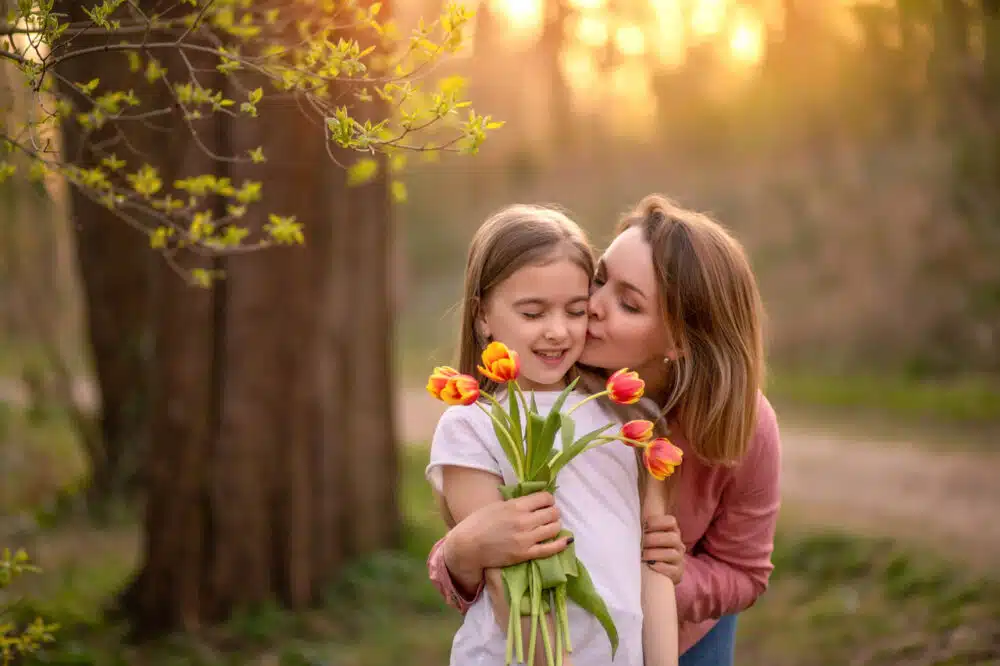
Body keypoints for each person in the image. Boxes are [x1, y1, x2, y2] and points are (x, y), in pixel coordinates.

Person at [426, 194, 782, 665]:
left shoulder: (666, 424)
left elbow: (739, 571)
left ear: (679, 340)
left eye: (628, 303)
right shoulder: (528, 394)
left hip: (676, 630)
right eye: (599, 279)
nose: (590, 308)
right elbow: (498, 556)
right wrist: (462, 552)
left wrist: (672, 575)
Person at [425, 203, 679, 666]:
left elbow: (655, 567)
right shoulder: (471, 428)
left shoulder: (633, 420)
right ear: (483, 317)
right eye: (533, 313)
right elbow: (506, 578)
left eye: (575, 310)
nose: (557, 331)